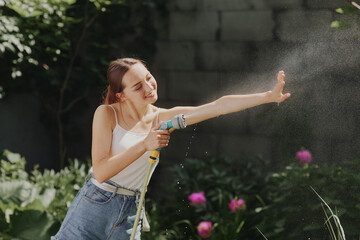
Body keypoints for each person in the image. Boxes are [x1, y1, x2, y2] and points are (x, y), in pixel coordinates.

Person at [51, 58, 291, 240]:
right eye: (137, 86)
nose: (149, 86)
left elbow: (217, 106)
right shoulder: (106, 114)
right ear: (121, 96)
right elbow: (101, 171)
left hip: (130, 209)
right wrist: (145, 144)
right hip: (96, 202)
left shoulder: (163, 119)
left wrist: (268, 96)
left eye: (148, 77)